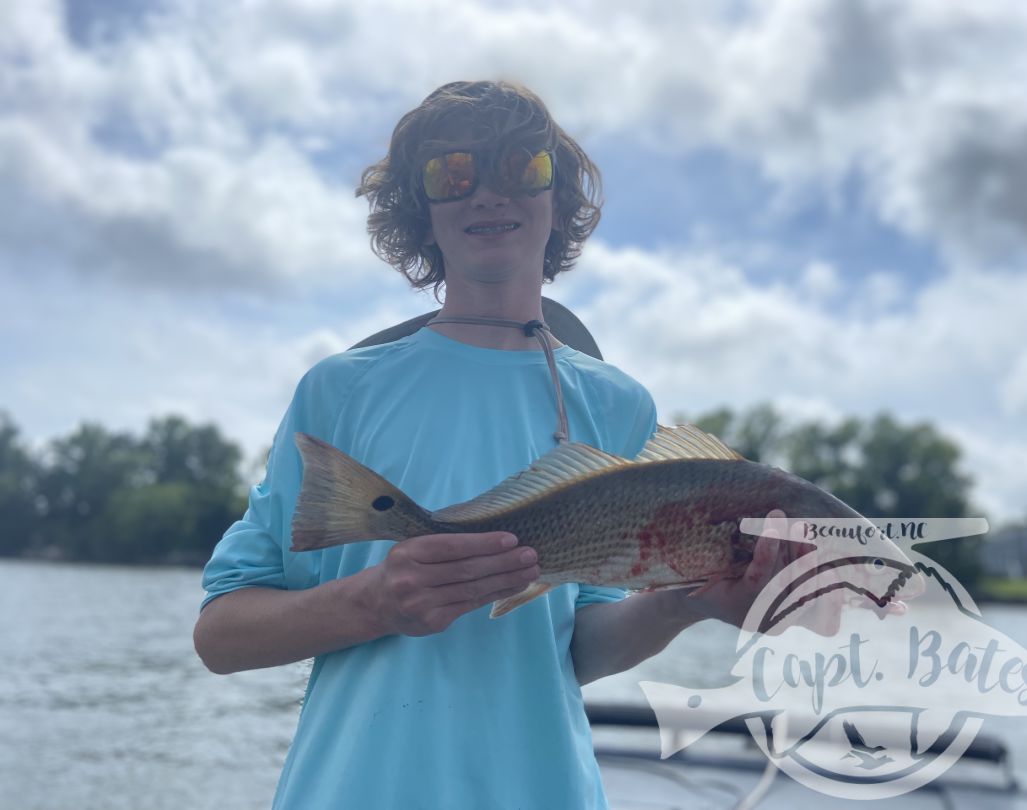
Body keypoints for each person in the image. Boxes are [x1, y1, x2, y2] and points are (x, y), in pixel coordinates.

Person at [193, 80, 795, 810]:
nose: (486, 194)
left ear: (558, 200)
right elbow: (221, 635)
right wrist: (375, 601)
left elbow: (575, 648)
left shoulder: (616, 402)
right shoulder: (337, 391)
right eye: (452, 175)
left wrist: (686, 603)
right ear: (422, 214)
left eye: (521, 167)